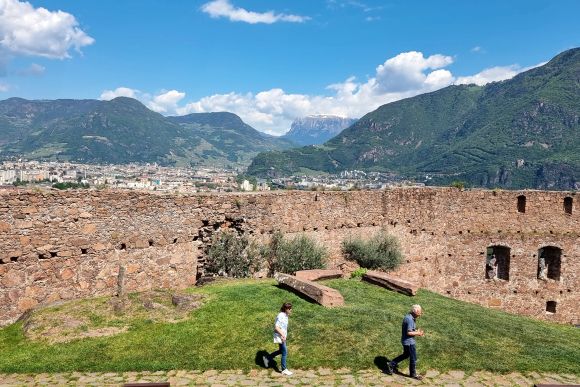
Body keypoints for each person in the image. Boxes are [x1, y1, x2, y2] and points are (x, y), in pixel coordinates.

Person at [387, 304, 425, 380]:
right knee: (413, 358)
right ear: (415, 311)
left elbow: (410, 330)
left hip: (406, 341)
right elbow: (409, 333)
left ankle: (391, 364)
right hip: (409, 342)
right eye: (419, 312)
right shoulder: (410, 319)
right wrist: (418, 333)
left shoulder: (410, 317)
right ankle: (413, 374)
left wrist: (416, 331)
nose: (420, 314)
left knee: (406, 354)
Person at [263, 302, 293, 376]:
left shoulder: (285, 315)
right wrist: (282, 335)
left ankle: (267, 357)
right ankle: (284, 369)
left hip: (283, 336)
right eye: (289, 308)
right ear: (285, 309)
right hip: (280, 336)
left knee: (281, 351)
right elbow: (276, 327)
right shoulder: (281, 316)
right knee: (284, 352)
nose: (291, 310)